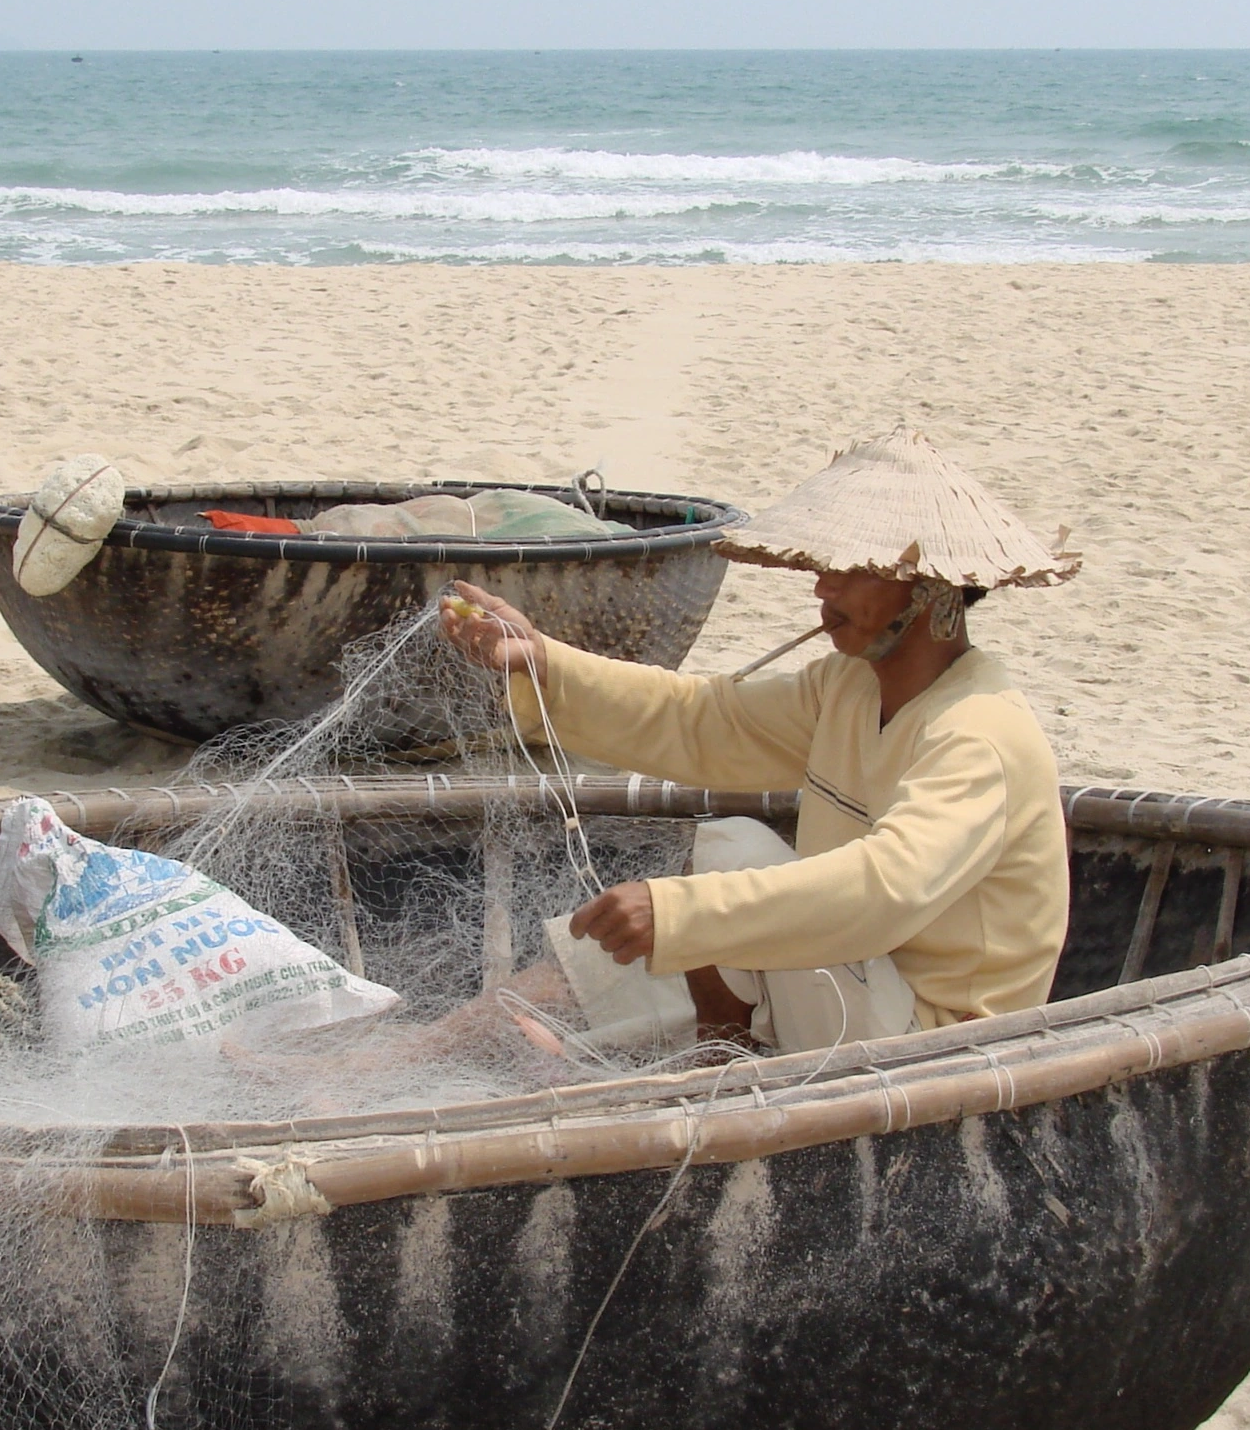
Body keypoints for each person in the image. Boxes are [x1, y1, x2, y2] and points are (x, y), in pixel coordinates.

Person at [439, 427, 1081, 1058]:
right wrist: (544, 662)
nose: (823, 590)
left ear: (932, 592)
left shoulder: (979, 732)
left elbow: (885, 890)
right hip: (851, 990)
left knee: (726, 863)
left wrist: (683, 914)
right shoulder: (847, 685)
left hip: (939, 1044)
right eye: (826, 568)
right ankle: (717, 1054)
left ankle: (717, 1066)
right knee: (728, 852)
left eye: (852, 571)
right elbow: (706, 720)